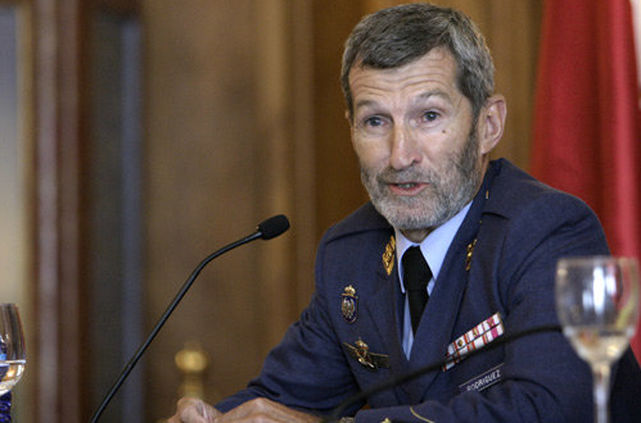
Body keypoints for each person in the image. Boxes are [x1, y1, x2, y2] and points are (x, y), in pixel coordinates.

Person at [170, 3, 641, 422]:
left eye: (428, 117)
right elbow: (280, 400)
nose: (399, 155)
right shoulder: (349, 253)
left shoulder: (549, 230)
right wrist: (213, 418)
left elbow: (550, 409)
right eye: (376, 121)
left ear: (488, 125)